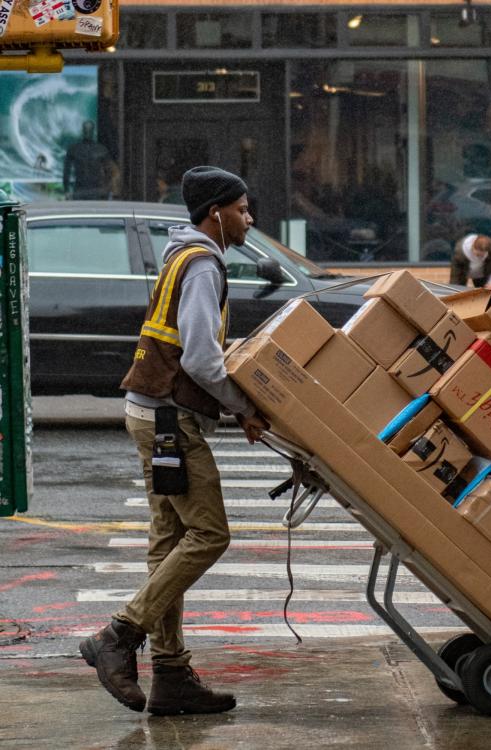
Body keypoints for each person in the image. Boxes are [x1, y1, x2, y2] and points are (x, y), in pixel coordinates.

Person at [79, 166, 269, 716]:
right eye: (242, 208)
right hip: (170, 420)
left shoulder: (180, 255)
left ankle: (171, 674)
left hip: (150, 413)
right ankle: (118, 634)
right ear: (216, 213)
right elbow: (203, 360)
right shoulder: (204, 265)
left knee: (168, 544)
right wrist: (245, 408)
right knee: (209, 535)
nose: (248, 217)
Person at [63, 121, 116, 200]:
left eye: (88, 130)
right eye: (86, 130)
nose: (87, 132)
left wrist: (66, 190)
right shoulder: (101, 150)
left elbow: (66, 172)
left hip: (87, 190)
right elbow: (110, 172)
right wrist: (110, 190)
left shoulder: (74, 149)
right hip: (88, 190)